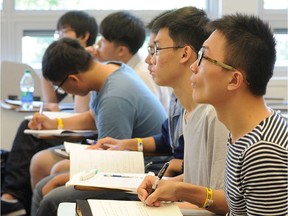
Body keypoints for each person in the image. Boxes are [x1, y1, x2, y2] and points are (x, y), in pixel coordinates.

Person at [31, 6, 229, 216]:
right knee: (54, 182)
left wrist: (170, 188)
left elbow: (218, 199)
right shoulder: (183, 102)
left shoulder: (210, 113)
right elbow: (189, 169)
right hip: (168, 181)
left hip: (169, 180)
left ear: (185, 54)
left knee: (57, 196)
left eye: (155, 50)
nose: (148, 59)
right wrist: (131, 146)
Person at [138, 14, 288, 215]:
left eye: (203, 58)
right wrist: (177, 188)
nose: (193, 66)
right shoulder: (242, 131)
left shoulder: (262, 149)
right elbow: (235, 199)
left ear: (234, 80)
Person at [1, 10, 98, 216]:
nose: (60, 36)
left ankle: (12, 198)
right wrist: (49, 69)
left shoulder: (88, 67)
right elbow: (50, 104)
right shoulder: (63, 64)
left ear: (84, 36)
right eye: (58, 33)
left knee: (29, 137)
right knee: (29, 126)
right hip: (70, 125)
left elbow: (85, 121)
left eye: (64, 31)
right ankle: (13, 198)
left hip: (84, 136)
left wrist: (57, 124)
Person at [87, 11, 171, 113]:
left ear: (121, 50)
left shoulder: (143, 74)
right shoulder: (124, 70)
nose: (98, 44)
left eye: (103, 40)